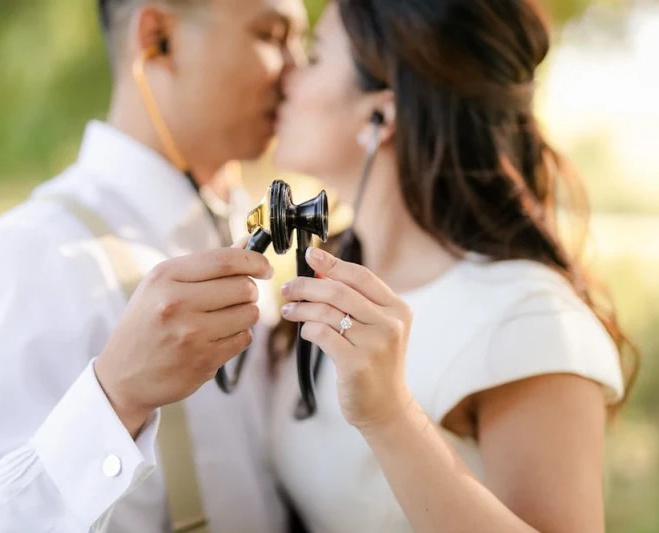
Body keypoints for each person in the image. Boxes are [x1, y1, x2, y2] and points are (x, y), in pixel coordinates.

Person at [0, 0, 307, 532]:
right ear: (158, 37)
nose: (299, 70)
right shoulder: (28, 258)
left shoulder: (254, 235)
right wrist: (115, 400)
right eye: (270, 35)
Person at [267, 1, 639, 532]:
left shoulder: (527, 320)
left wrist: (391, 418)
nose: (286, 78)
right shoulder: (328, 279)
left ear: (382, 115)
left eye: (313, 56)